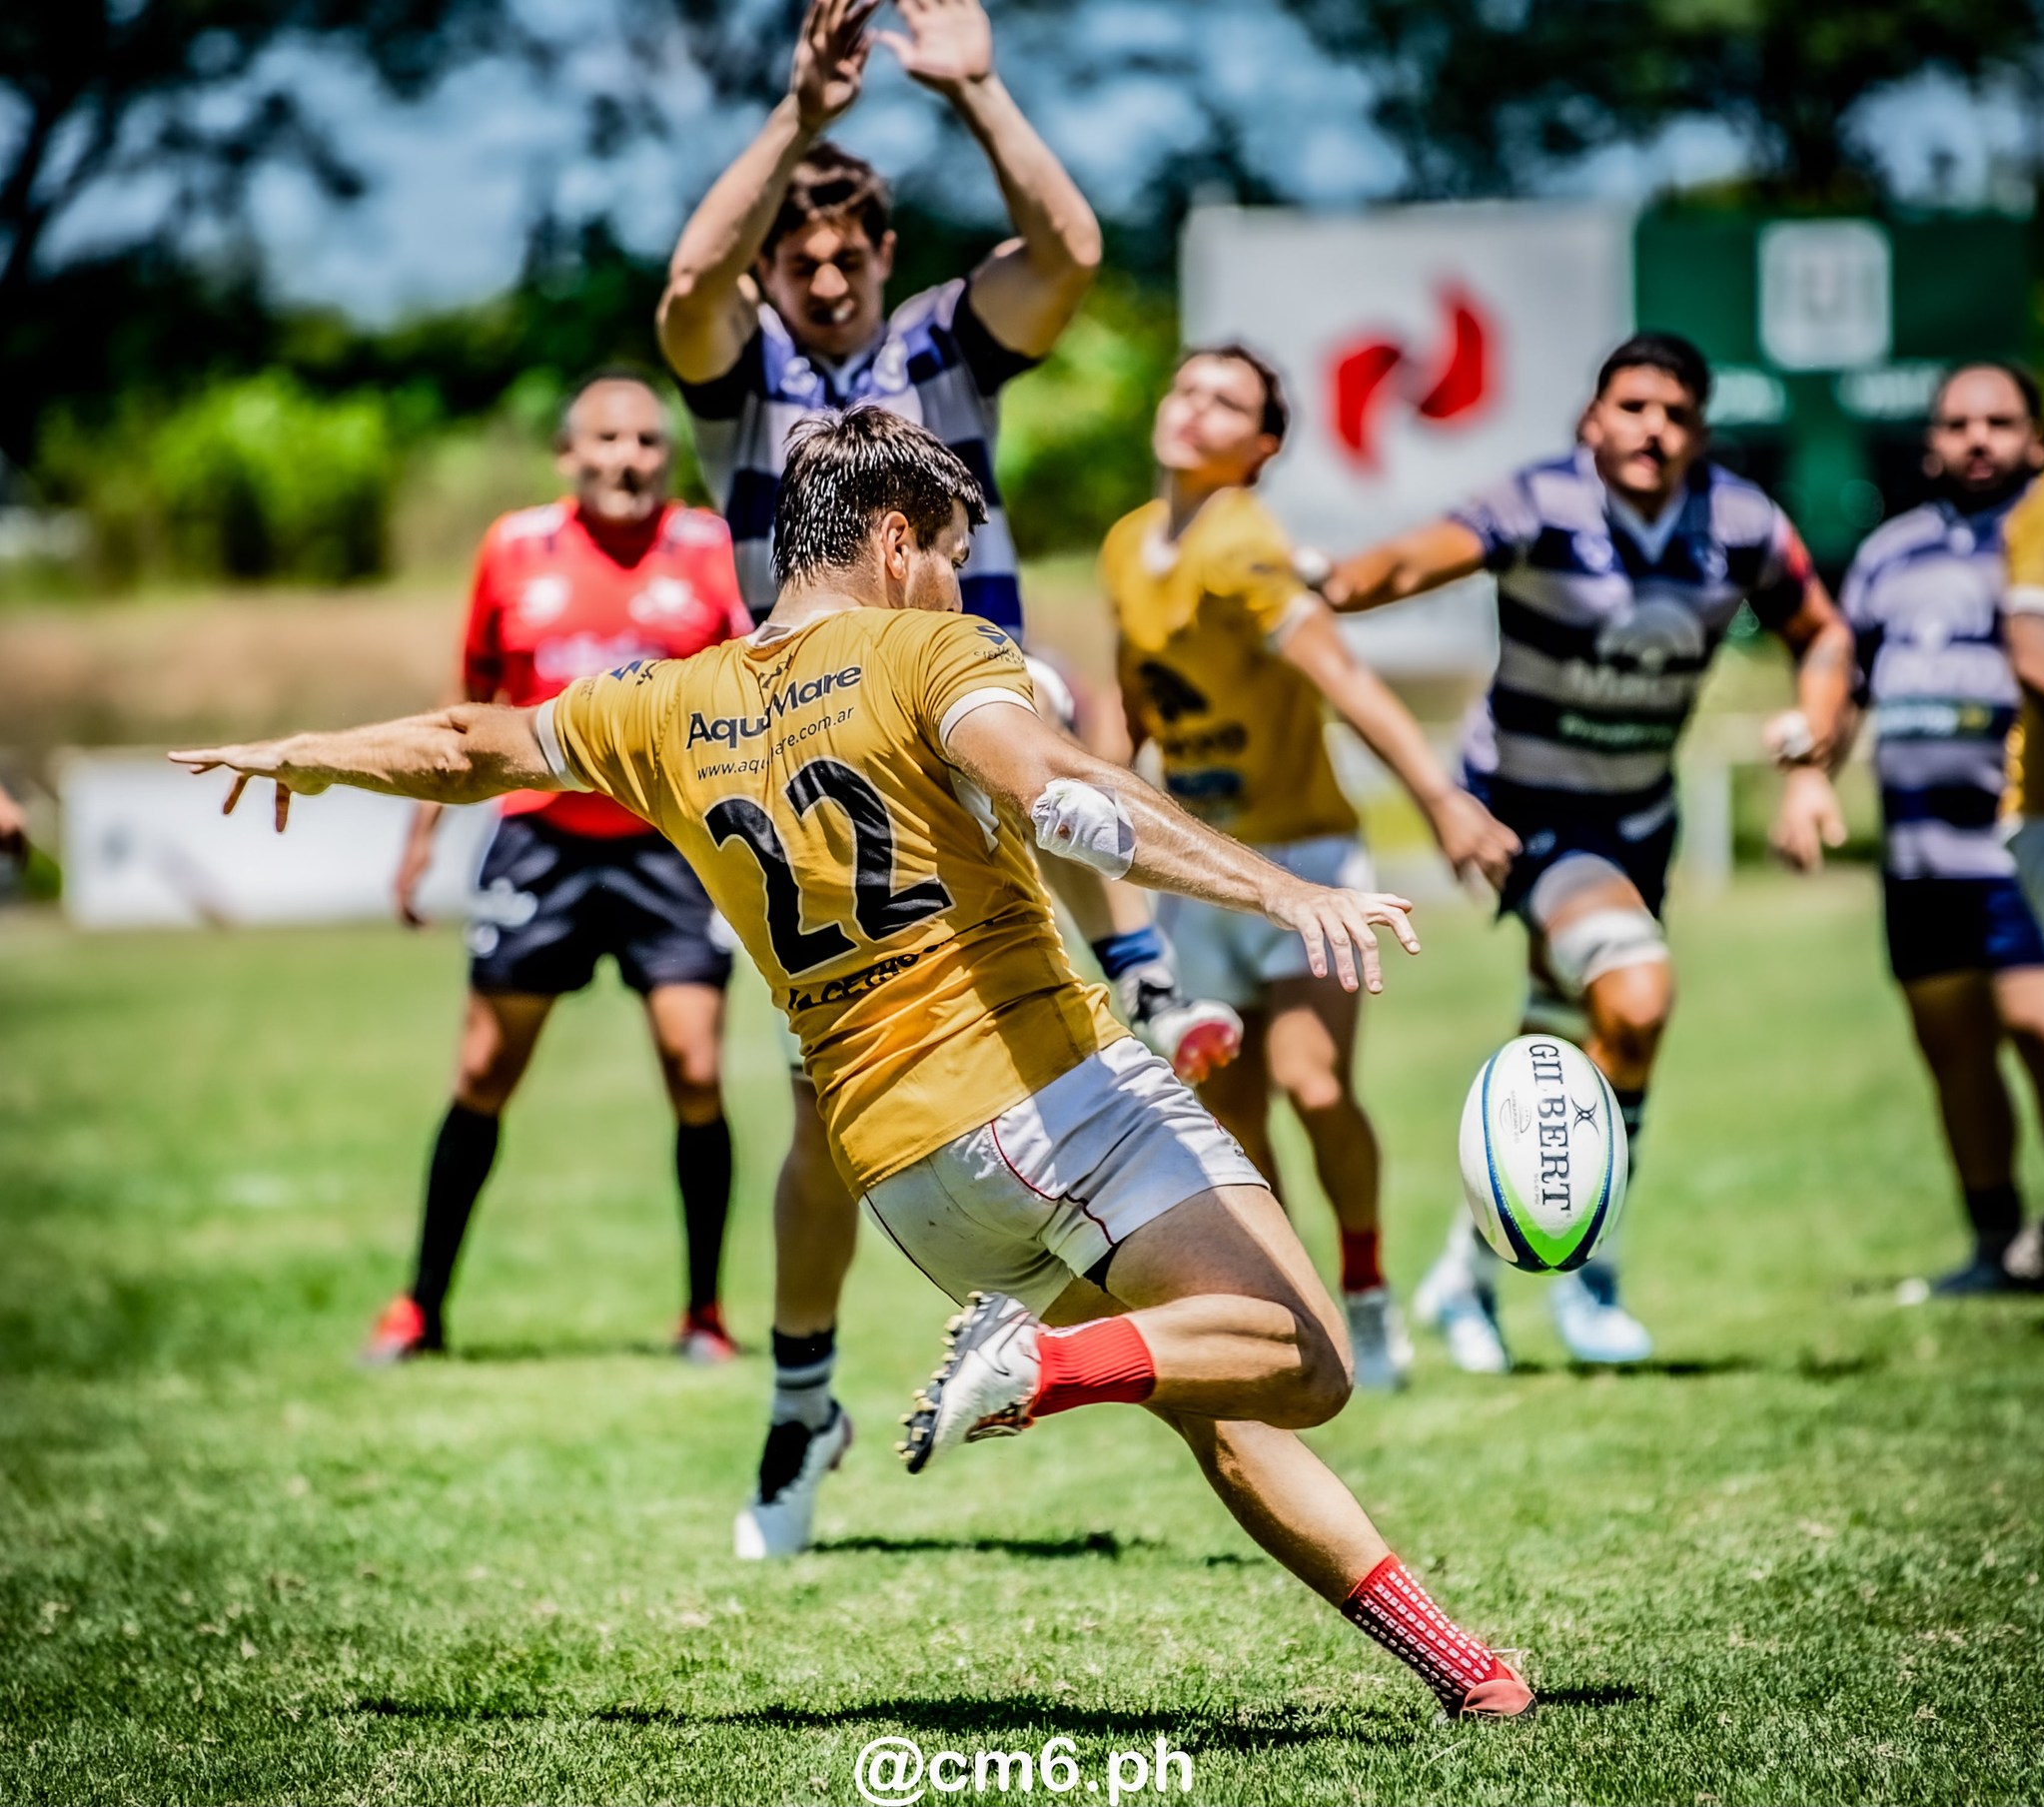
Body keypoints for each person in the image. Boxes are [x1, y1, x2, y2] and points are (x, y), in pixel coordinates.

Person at [170, 406, 1534, 1722]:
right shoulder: (929, 654)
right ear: (896, 541)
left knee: (1204, 1390)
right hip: (1055, 1098)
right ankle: (1041, 1367)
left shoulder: (667, 700)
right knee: (1300, 1359)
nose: (955, 584)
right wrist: (1278, 893)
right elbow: (1057, 788)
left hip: (906, 1183)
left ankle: (1461, 1666)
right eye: (947, 555)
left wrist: (314, 756)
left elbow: (472, 743)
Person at [655, 0, 1236, 1554]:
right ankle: (798, 1401)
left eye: (849, 256)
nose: (826, 279)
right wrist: (794, 116)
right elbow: (685, 287)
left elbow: (1072, 251)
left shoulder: (941, 343)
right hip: (821, 766)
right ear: (778, 262)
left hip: (979, 716)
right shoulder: (743, 373)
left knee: (1052, 706)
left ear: (887, 253)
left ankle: (1145, 973)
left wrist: (978, 88)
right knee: (818, 1124)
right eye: (803, 257)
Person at [1321, 332, 1854, 1371]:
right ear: (1589, 420)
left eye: (1674, 413)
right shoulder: (1536, 504)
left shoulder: (1738, 523)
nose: (1652, 428)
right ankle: (1588, 1278)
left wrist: (1809, 752)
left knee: (1557, 1047)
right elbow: (1403, 561)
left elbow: (1822, 633)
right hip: (1528, 813)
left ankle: (1465, 1278)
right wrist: (1320, 582)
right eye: (1632, 406)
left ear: (1697, 432)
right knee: (1637, 999)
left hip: (1639, 819)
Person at [1099, 345, 1521, 1389]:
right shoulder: (1124, 544)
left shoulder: (1242, 543)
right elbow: (1133, 695)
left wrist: (1440, 801)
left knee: (1310, 1081)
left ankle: (1369, 1296)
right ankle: (1302, 1318)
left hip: (1303, 865)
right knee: (1233, 1120)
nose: (1194, 409)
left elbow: (1341, 674)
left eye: (1226, 402)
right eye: (1185, 386)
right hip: (1201, 872)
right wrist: (1095, 800)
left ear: (1263, 446)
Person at [361, 370, 755, 1365]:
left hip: (668, 844)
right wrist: (420, 840)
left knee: (696, 1069)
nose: (627, 459)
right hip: (538, 841)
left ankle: (704, 1314)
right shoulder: (512, 549)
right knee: (485, 1070)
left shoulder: (708, 550)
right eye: (607, 441)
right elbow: (467, 703)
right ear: (566, 454)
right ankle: (419, 1308)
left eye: (646, 443)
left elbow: (757, 699)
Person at [1849, 363, 2044, 1297]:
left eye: (1999, 421)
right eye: (1959, 423)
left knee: (2034, 1020)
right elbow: (1839, 672)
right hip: (1918, 856)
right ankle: (1996, 1244)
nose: (1977, 439)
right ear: (1930, 441)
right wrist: (1811, 768)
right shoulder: (1887, 553)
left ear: (2035, 439)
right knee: (1955, 1050)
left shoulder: (2037, 539)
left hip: (2013, 843)